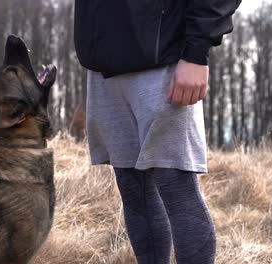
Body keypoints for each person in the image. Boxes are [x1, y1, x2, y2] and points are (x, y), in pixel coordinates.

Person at [74, 0, 241, 263]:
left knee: (175, 184)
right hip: (103, 62)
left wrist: (196, 52)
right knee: (132, 188)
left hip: (164, 56)